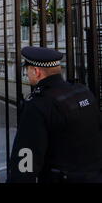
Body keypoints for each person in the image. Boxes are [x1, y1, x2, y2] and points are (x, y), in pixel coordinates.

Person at [7, 46, 102, 183]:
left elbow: (26, 158)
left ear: (36, 71)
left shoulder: (39, 104)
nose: (27, 74)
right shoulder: (83, 91)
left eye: (27, 70)